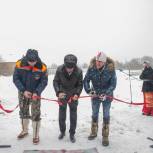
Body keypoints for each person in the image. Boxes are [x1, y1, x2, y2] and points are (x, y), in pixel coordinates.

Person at [13, 49, 48, 144]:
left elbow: (44, 82)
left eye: (34, 61)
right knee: (23, 111)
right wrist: (23, 90)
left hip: (35, 94)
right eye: (30, 61)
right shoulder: (19, 64)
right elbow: (15, 79)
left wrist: (37, 92)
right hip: (23, 92)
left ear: (37, 59)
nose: (32, 63)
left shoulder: (43, 67)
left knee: (36, 113)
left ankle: (36, 135)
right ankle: (25, 130)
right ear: (26, 58)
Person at [83, 52, 117, 146]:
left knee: (106, 115)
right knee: (94, 113)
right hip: (95, 95)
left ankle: (105, 136)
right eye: (97, 61)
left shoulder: (110, 69)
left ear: (105, 62)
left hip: (107, 96)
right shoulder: (91, 68)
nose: (98, 63)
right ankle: (93, 132)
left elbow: (113, 84)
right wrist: (89, 91)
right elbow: (86, 80)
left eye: (100, 62)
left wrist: (106, 93)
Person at [53, 54, 83, 143]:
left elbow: (80, 84)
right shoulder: (59, 69)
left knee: (73, 115)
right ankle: (62, 131)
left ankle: (72, 133)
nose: (69, 69)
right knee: (62, 114)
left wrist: (77, 93)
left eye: (71, 68)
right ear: (64, 65)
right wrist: (58, 92)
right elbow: (55, 82)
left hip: (73, 96)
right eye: (67, 67)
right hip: (62, 95)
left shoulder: (79, 71)